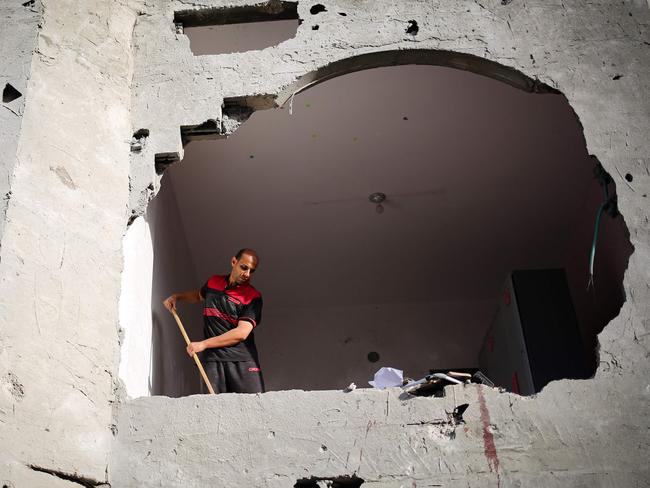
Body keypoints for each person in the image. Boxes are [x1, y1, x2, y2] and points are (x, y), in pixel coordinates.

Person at [163, 248, 265, 394]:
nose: (247, 274)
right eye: (244, 267)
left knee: (254, 407)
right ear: (233, 262)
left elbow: (241, 333)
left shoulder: (253, 297)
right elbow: (198, 296)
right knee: (212, 410)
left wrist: (203, 344)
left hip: (242, 360)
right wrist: (177, 297)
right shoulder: (213, 283)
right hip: (212, 360)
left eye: (252, 271)